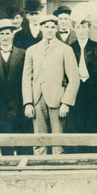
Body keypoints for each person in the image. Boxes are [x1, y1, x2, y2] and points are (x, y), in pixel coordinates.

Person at [22, 15, 80, 155]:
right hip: (37, 98)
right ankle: (39, 168)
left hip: (57, 100)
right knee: (39, 141)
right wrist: (28, 103)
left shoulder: (65, 49)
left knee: (57, 140)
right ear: (41, 28)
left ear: (57, 29)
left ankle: (57, 169)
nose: (49, 30)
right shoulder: (32, 50)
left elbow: (74, 78)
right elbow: (26, 78)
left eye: (53, 27)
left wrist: (66, 102)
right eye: (46, 27)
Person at [66, 8, 97, 152]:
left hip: (94, 92)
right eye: (78, 27)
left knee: (95, 123)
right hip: (76, 92)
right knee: (77, 124)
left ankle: (95, 155)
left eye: (84, 27)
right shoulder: (69, 48)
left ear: (88, 28)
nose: (81, 31)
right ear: (74, 29)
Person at [0, 19, 26, 156]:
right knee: (4, 137)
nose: (5, 37)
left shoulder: (23, 54)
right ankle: (7, 164)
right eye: (1, 34)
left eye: (8, 33)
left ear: (13, 35)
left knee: (21, 138)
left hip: (19, 102)